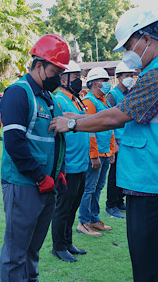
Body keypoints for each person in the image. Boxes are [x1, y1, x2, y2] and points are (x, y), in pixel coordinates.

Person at [49, 8, 158, 282]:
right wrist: (80, 117)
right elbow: (121, 111)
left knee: (149, 264)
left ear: (145, 38)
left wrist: (72, 124)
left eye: (128, 46)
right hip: (152, 177)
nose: (128, 53)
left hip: (153, 181)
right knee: (150, 261)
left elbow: (117, 116)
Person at [0, 33, 69, 281]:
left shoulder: (47, 97)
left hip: (47, 185)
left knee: (33, 248)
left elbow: (55, 138)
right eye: (55, 71)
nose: (58, 78)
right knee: (15, 252)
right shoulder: (18, 93)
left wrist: (59, 171)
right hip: (24, 184)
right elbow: (14, 144)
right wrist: (40, 177)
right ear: (39, 65)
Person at [51, 60, 89, 262]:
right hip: (69, 164)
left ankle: (67, 242)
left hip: (81, 163)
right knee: (63, 207)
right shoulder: (59, 100)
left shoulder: (76, 100)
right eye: (75, 78)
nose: (78, 82)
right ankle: (58, 246)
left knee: (73, 206)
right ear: (63, 79)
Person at [78, 67, 114, 235]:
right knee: (89, 189)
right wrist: (94, 156)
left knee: (98, 188)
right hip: (97, 154)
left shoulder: (104, 101)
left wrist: (112, 150)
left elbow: (110, 127)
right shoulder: (89, 102)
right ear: (94, 82)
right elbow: (89, 130)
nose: (107, 83)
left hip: (105, 152)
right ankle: (83, 222)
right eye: (104, 80)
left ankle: (93, 219)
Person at [104, 62, 135, 218]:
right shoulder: (112, 95)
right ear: (119, 77)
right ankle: (111, 204)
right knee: (114, 173)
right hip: (118, 141)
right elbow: (109, 119)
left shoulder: (130, 94)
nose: (130, 78)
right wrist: (114, 142)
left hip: (128, 140)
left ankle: (119, 200)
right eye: (127, 76)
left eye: (131, 76)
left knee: (124, 173)